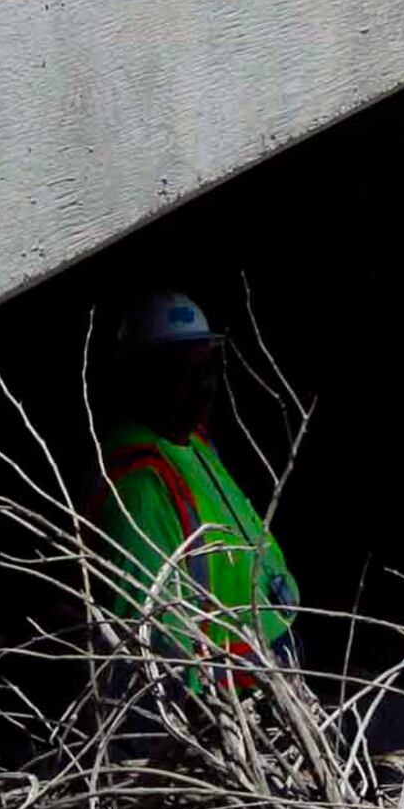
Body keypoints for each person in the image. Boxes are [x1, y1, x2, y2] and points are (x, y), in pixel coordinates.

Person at [91, 291, 300, 679]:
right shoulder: (140, 490)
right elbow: (156, 658)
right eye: (179, 375)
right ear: (138, 379)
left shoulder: (194, 443)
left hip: (269, 674)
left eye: (207, 369)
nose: (203, 387)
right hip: (227, 707)